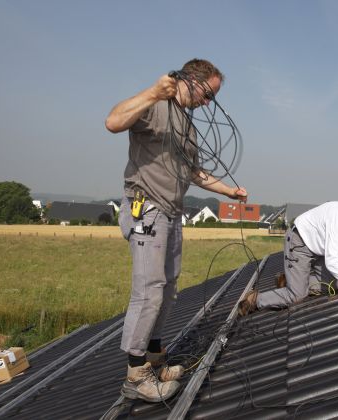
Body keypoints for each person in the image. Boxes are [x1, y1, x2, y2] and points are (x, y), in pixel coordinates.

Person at [105, 58, 248, 402]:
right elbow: (113, 121)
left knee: (168, 289)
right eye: (208, 94)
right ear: (192, 81)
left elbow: (194, 172)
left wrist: (229, 191)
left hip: (172, 212)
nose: (209, 103)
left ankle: (155, 357)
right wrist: (154, 91)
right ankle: (136, 376)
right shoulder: (154, 106)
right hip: (147, 208)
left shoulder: (187, 125)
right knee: (149, 289)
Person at [238, 197, 338, 316]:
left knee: (334, 285)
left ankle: (288, 280)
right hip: (301, 241)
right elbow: (333, 262)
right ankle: (255, 300)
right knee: (297, 296)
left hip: (322, 249)